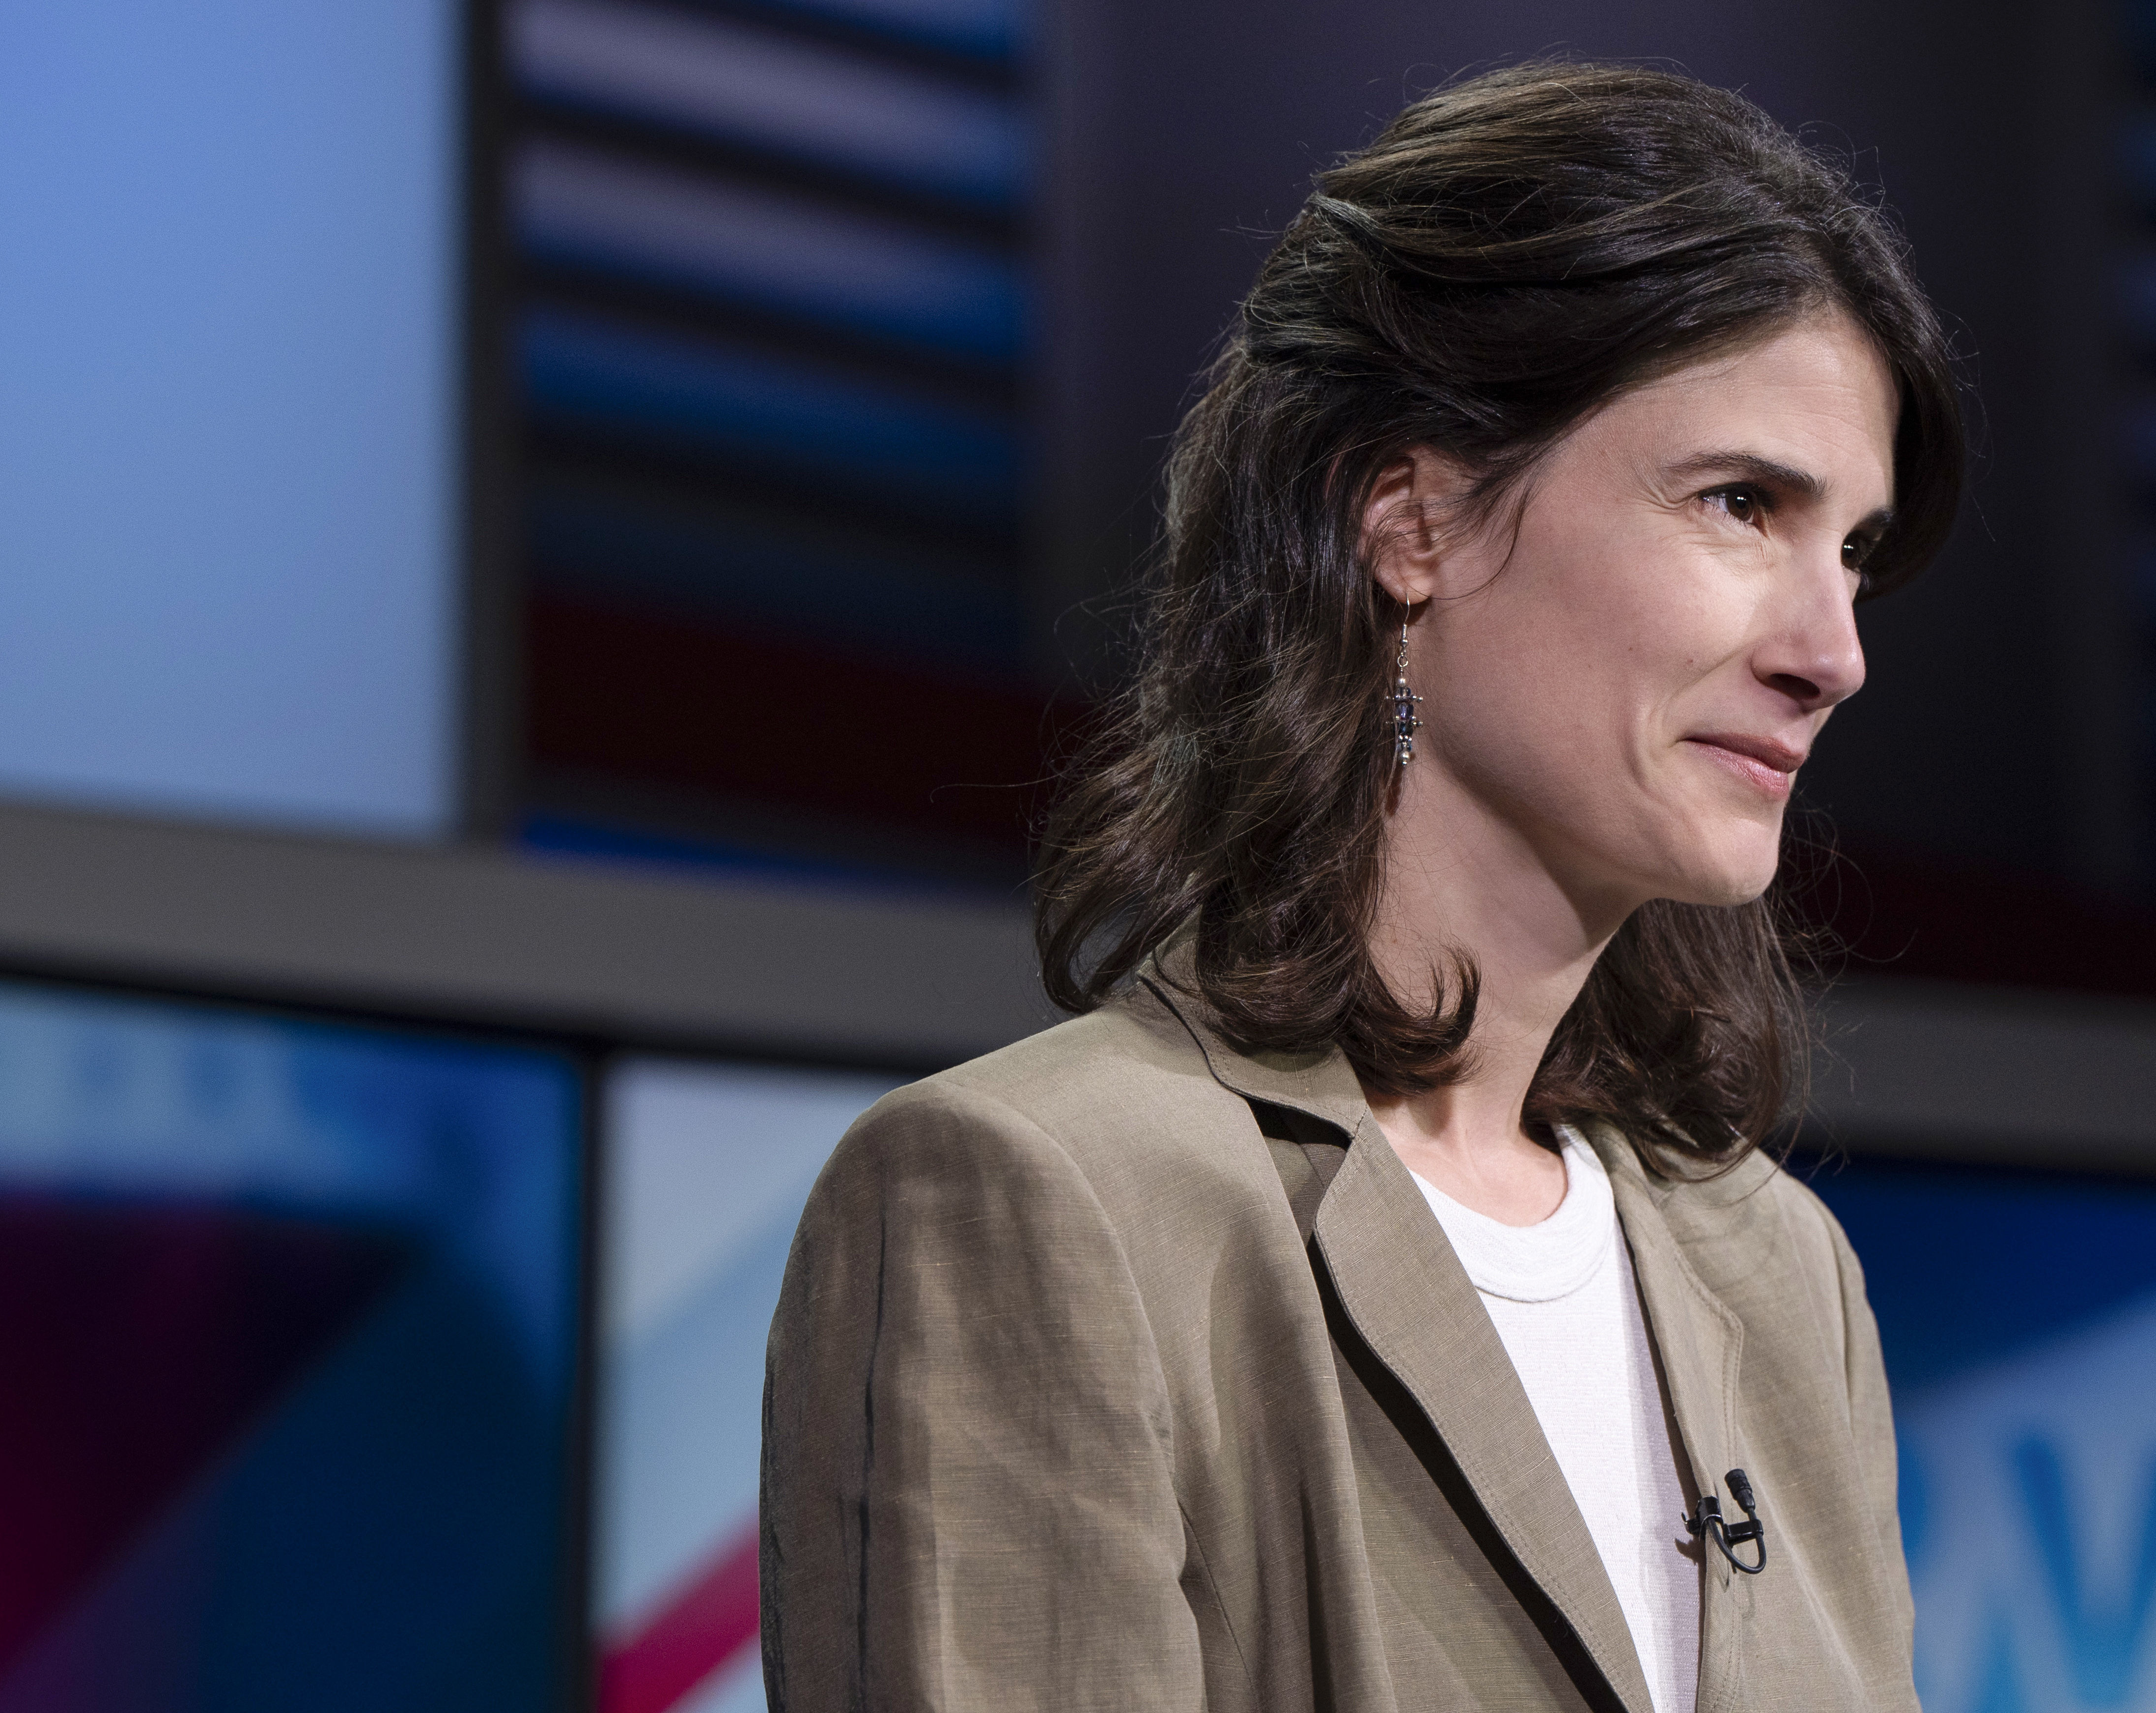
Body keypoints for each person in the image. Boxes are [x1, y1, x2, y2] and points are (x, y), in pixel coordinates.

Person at [763, 61, 1963, 1713]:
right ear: (1413, 521)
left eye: (1854, 553)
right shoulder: (1041, 1201)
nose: (1831, 653)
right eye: (1740, 504)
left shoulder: (1783, 1274)